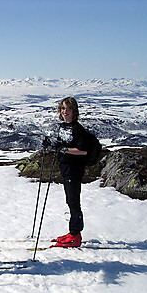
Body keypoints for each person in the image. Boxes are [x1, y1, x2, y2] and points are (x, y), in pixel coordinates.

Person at [43, 97, 88, 247]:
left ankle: (75, 235)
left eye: (68, 109)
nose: (65, 112)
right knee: (70, 200)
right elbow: (61, 143)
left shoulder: (77, 129)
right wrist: (51, 144)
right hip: (65, 167)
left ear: (74, 112)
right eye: (63, 109)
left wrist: (65, 150)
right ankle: (72, 232)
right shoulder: (63, 126)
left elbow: (83, 150)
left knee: (73, 201)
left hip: (74, 169)